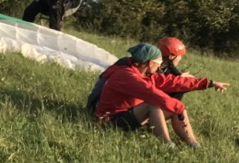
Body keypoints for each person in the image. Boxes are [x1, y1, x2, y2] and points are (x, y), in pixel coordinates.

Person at [93, 42, 229, 148]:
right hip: (110, 121)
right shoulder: (126, 76)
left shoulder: (144, 74)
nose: (159, 67)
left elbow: (175, 81)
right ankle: (167, 145)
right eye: (158, 64)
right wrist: (178, 106)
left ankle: (193, 144)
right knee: (156, 104)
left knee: (173, 107)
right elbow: (153, 94)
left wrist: (209, 83)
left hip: (129, 115)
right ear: (149, 63)